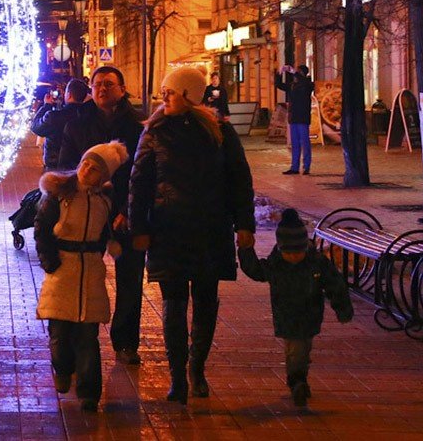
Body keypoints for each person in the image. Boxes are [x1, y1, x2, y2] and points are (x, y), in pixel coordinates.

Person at [128, 66, 255, 403]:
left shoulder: (220, 132)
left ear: (187, 95)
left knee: (205, 301)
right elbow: (139, 183)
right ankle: (177, 377)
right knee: (172, 303)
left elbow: (239, 180)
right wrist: (138, 227)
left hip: (209, 228)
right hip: (168, 229)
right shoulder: (155, 131)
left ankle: (197, 370)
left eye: (169, 92)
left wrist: (245, 225)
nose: (164, 97)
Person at [57, 66, 145, 365]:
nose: (102, 89)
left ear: (122, 88)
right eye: (96, 84)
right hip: (88, 211)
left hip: (125, 211)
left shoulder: (136, 126)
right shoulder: (77, 124)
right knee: (80, 273)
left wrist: (127, 210)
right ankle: (82, 335)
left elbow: (142, 173)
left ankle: (126, 342)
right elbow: (66, 166)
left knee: (130, 279)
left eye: (109, 84)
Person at [35, 141, 129, 413]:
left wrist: (106, 248)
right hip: (62, 270)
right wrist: (49, 262)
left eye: (96, 168)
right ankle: (62, 368)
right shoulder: (59, 194)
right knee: (59, 333)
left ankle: (89, 393)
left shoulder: (103, 200)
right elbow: (42, 229)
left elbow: (104, 234)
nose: (88, 169)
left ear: (104, 176)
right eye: (86, 163)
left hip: (89, 271)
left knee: (88, 336)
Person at [238, 209, 353, 407]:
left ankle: (300, 379)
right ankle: (297, 381)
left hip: (310, 314)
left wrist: (342, 308)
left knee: (302, 348)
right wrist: (245, 250)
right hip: (287, 315)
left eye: (297, 252)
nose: (293, 257)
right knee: (295, 349)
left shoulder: (316, 262)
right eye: (288, 253)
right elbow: (256, 271)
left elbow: (335, 284)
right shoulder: (276, 264)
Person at [30, 79, 88, 170]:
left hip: (56, 168)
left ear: (68, 95)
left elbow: (35, 127)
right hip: (81, 167)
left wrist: (47, 105)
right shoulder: (88, 116)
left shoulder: (54, 117)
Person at [275, 65, 315, 175]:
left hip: (303, 117)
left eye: (298, 73)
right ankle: (294, 167)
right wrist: (280, 72)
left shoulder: (307, 84)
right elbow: (279, 85)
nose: (294, 75)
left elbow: (305, 83)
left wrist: (293, 71)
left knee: (305, 142)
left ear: (302, 74)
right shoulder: (293, 85)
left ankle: (306, 166)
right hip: (294, 118)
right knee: (295, 143)